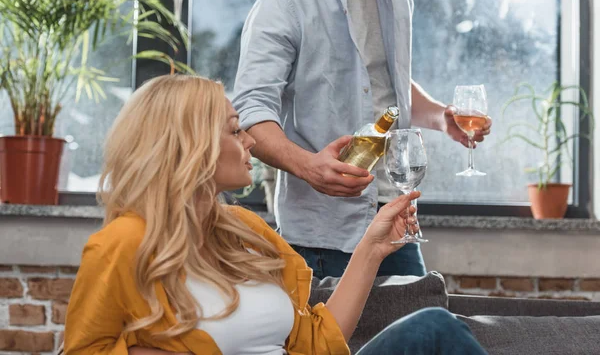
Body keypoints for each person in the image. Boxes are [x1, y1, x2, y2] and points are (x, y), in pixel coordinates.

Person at [62, 74, 488, 355]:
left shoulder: (246, 231)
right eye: (234, 129)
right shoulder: (124, 244)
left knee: (434, 329)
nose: (250, 140)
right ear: (186, 145)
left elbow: (318, 342)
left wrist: (373, 248)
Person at [232, 0, 492, 279]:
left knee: (424, 322)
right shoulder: (284, 1)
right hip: (325, 235)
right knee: (337, 332)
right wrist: (307, 166)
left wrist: (441, 117)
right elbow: (251, 110)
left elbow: (384, 80)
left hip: (396, 218)